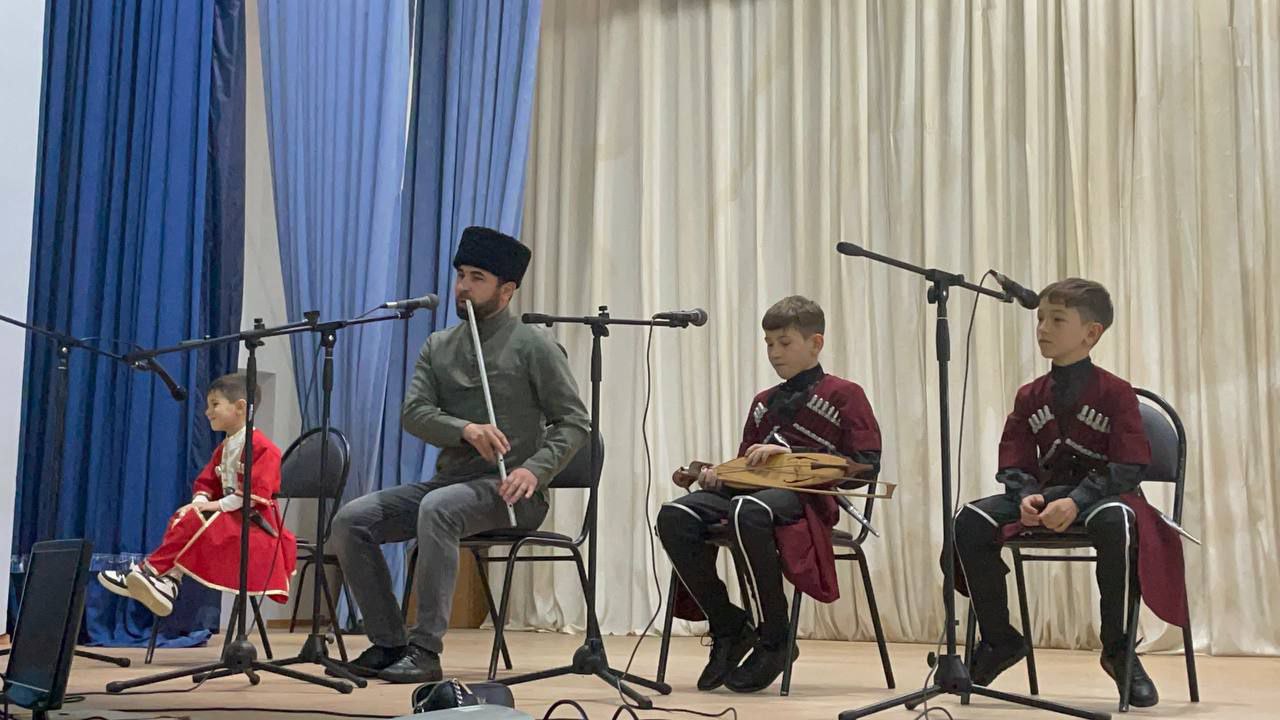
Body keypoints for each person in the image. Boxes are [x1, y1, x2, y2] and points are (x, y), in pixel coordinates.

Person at [330, 226, 590, 684]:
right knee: (352, 520)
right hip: (449, 485)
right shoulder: (439, 346)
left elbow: (574, 423)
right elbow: (414, 414)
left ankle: (425, 650)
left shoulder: (535, 346)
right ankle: (389, 642)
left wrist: (534, 470)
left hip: (512, 493)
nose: (462, 287)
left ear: (507, 290)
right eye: (461, 275)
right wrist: (465, 430)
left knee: (438, 508)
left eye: (477, 278)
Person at [953, 277, 1186, 708]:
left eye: (1057, 320)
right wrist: (1025, 495)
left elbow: (1128, 465)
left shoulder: (1116, 393)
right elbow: (1014, 458)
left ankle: (1118, 648)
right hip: (1048, 496)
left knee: (1117, 521)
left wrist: (1077, 501)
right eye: (1040, 318)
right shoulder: (1029, 395)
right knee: (969, 519)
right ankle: (1000, 639)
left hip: (1106, 498)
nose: (1042, 327)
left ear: (1091, 333)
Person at [657, 295, 882, 693]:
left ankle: (776, 637)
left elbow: (865, 465)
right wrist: (717, 478)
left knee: (747, 509)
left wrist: (794, 458)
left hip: (810, 500)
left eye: (784, 342)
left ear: (815, 343)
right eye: (768, 343)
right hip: (754, 497)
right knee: (676, 516)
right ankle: (729, 625)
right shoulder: (764, 403)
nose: (774, 352)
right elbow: (745, 470)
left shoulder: (844, 394)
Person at [97, 372, 296, 617]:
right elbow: (206, 481)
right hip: (232, 517)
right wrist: (200, 502)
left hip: (255, 524)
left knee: (193, 520)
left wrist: (211, 507)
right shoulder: (225, 447)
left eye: (214, 404)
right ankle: (167, 581)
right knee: (184, 516)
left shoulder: (264, 448)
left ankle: (153, 573)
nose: (207, 412)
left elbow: (253, 495)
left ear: (240, 407)